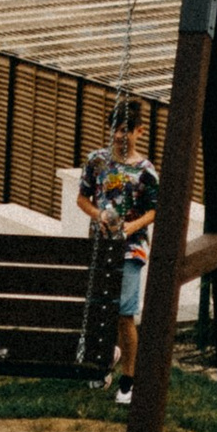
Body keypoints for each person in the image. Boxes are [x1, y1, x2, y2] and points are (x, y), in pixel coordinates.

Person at [77, 98, 160, 407]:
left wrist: (129, 227)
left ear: (139, 131)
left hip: (130, 248)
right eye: (116, 130)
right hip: (101, 243)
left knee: (124, 313)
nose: (121, 136)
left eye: (127, 130)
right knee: (100, 308)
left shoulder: (145, 171)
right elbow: (82, 198)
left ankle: (129, 379)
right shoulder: (96, 161)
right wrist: (98, 216)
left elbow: (154, 211)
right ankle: (101, 363)